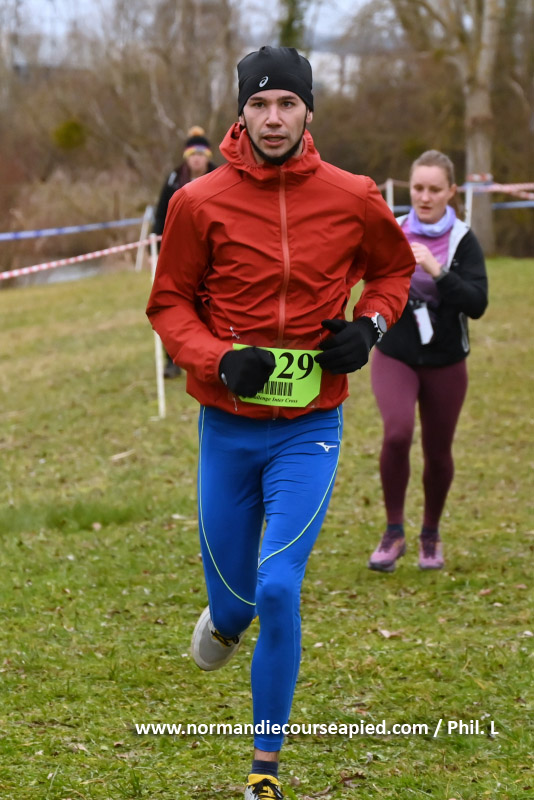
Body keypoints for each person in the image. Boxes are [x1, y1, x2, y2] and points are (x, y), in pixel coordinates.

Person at [146, 45, 415, 799]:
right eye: (259, 104)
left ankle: (263, 770)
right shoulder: (197, 202)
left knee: (278, 587)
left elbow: (393, 271)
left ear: (307, 111)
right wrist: (219, 359)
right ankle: (223, 622)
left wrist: (369, 326)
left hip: (310, 427)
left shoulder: (352, 196)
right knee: (236, 605)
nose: (273, 118)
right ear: (241, 112)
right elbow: (168, 302)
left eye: (287, 104)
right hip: (228, 429)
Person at [368, 149, 488, 574]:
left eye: (434, 189)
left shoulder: (463, 240)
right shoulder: (395, 230)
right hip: (396, 354)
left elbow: (477, 303)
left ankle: (430, 533)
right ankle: (393, 531)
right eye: (418, 187)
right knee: (397, 434)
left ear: (451, 192)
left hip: (445, 360)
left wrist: (438, 272)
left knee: (438, 453)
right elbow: (370, 280)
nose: (424, 196)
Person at [152, 126, 217, 378]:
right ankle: (172, 360)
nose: (197, 159)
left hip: (212, 253)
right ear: (186, 157)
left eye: (201, 154)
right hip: (178, 252)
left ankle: (211, 355)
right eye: (192, 155)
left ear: (207, 156)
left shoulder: (220, 176)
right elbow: (161, 215)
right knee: (174, 305)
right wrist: (156, 249)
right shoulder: (174, 179)